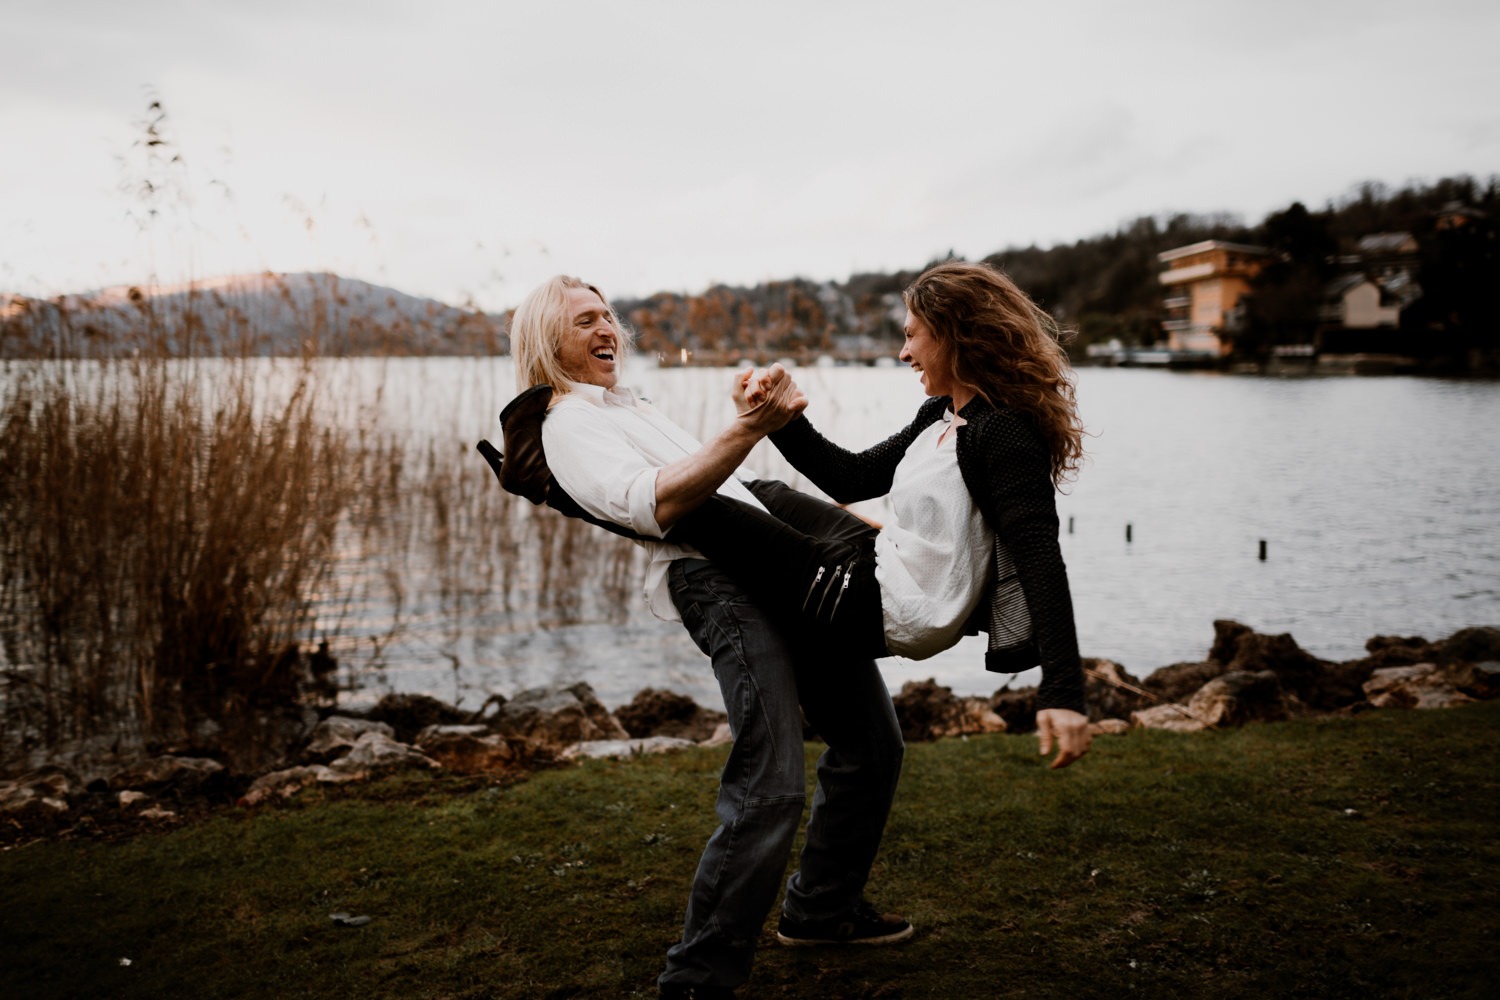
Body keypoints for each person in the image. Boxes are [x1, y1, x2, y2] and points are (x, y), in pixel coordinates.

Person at [500, 276, 910, 1000]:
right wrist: (750, 428)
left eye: (608, 317)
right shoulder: (569, 424)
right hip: (718, 585)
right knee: (771, 781)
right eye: (583, 322)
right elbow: (657, 503)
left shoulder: (632, 405)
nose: (607, 331)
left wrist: (753, 431)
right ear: (546, 344)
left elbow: (728, 489)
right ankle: (697, 979)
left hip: (775, 561)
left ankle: (820, 910)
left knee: (872, 743)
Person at [666, 260, 1093, 768]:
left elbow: (1041, 557)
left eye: (913, 336)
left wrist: (1064, 691)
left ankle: (569, 488)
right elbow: (852, 478)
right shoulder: (942, 414)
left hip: (884, 605)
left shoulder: (1003, 433)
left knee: (703, 511)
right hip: (874, 563)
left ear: (955, 333)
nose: (903, 352)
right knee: (761, 493)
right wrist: (778, 420)